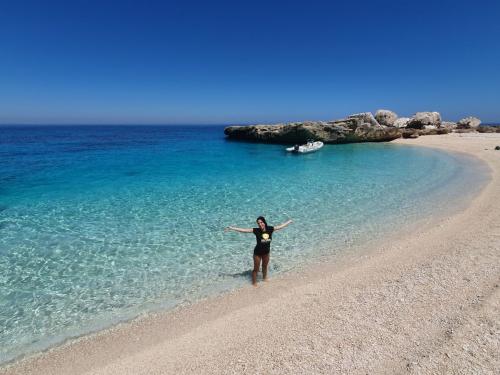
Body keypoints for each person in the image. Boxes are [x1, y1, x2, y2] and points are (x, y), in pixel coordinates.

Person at [225, 216, 293, 285]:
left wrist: (289, 221)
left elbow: (280, 227)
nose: (260, 224)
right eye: (258, 223)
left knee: (265, 267)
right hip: (257, 253)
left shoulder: (270, 229)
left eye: (261, 222)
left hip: (266, 253)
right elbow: (244, 230)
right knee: (256, 269)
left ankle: (265, 279)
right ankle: (254, 283)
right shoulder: (256, 230)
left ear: (264, 222)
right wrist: (232, 228)